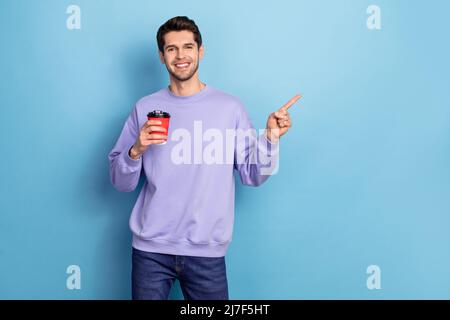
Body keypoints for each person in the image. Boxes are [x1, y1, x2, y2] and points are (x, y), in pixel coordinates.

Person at [108, 16, 300, 300]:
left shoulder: (229, 108)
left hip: (206, 252)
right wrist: (135, 150)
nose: (181, 55)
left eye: (188, 46)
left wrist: (270, 138)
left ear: (200, 51)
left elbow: (253, 175)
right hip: (150, 251)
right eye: (171, 49)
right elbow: (119, 182)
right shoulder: (146, 108)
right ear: (162, 57)